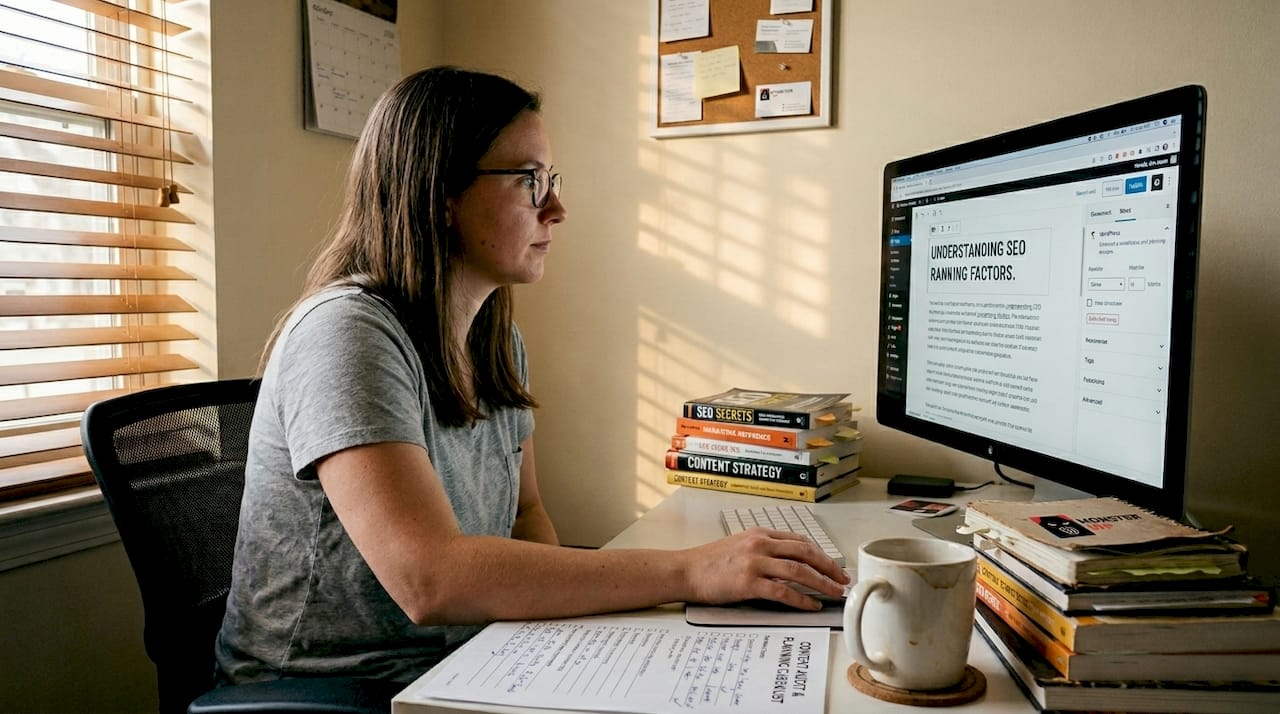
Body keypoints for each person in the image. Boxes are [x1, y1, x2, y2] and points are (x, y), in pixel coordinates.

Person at [214, 66, 849, 685]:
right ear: (440, 194)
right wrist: (690, 572)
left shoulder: (494, 338)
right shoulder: (346, 334)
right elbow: (428, 580)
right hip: (331, 687)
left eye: (551, 179)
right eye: (529, 180)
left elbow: (526, 513)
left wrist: (551, 644)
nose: (557, 208)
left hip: (468, 659)